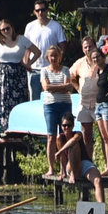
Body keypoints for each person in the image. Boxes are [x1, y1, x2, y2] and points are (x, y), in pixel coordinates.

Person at [0, 19, 40, 131]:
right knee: (3, 101)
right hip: (3, 74)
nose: (6, 31)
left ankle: (20, 128)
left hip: (18, 73)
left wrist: (28, 64)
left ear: (12, 28)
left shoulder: (21, 39)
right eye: (3, 29)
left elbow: (37, 52)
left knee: (20, 101)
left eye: (8, 28)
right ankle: (4, 128)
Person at [72, 37, 108, 176]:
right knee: (100, 137)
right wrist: (78, 88)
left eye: (97, 55)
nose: (95, 58)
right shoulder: (87, 66)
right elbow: (70, 76)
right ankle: (103, 166)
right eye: (85, 47)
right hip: (92, 104)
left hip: (106, 104)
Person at [48, 114, 106, 202]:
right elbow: (63, 157)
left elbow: (73, 140)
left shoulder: (78, 134)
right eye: (64, 125)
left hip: (85, 164)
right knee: (73, 147)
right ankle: (73, 174)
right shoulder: (60, 138)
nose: (66, 128)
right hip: (72, 166)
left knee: (97, 180)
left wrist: (60, 151)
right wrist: (63, 172)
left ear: (73, 126)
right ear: (61, 126)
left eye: (69, 125)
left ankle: (101, 208)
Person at [38, 44, 76, 175]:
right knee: (51, 137)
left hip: (65, 104)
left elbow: (69, 87)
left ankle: (63, 168)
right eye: (51, 55)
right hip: (50, 105)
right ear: (48, 57)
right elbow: (46, 87)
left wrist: (54, 86)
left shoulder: (65, 69)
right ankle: (51, 168)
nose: (53, 58)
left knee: (65, 135)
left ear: (60, 56)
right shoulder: (44, 71)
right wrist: (62, 86)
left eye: (56, 55)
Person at [23, 1, 67, 100]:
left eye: (42, 10)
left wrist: (58, 63)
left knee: (52, 97)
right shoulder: (30, 26)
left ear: (47, 11)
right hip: (34, 69)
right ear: (34, 12)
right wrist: (26, 64)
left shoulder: (56, 26)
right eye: (37, 10)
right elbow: (27, 48)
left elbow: (63, 46)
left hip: (51, 68)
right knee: (35, 98)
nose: (40, 12)